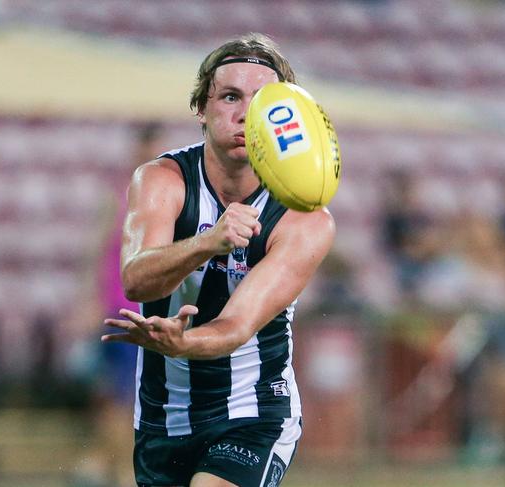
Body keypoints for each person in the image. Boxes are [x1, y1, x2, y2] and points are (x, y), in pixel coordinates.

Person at [101, 33, 335, 487]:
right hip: (162, 417)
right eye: (230, 96)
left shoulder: (304, 219)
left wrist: (183, 345)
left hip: (253, 411)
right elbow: (135, 279)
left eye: (263, 101)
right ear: (200, 110)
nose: (246, 114)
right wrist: (208, 242)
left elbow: (235, 327)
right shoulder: (162, 179)